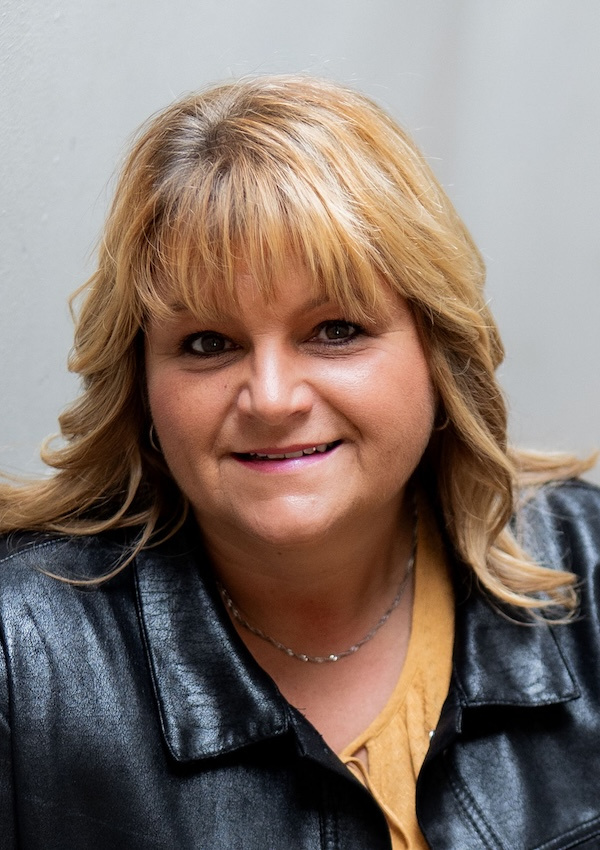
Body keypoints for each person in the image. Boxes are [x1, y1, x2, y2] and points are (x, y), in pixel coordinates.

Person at [0, 75, 599, 850]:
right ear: (141, 386)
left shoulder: (589, 565)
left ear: (438, 352)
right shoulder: (20, 656)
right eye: (208, 343)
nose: (273, 398)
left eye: (336, 330)